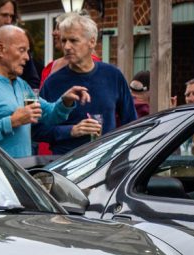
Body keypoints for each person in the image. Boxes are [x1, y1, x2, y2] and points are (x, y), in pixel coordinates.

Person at [0, 25, 88, 159]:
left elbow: (49, 115)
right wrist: (11, 122)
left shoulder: (21, 85)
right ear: (0, 50)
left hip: (21, 172)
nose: (27, 57)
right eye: (22, 50)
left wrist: (65, 101)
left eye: (28, 51)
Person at [35, 13, 135, 155]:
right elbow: (37, 131)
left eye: (73, 40)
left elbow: (130, 122)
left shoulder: (113, 75)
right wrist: (72, 131)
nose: (67, 46)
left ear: (92, 42)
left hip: (105, 161)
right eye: (64, 41)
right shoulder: (52, 82)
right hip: (65, 164)